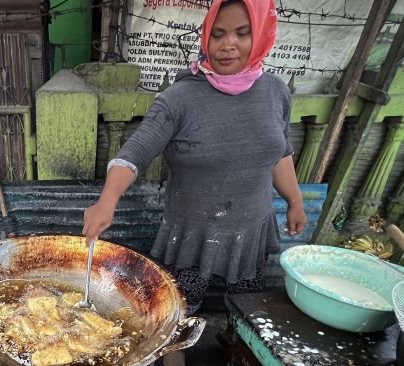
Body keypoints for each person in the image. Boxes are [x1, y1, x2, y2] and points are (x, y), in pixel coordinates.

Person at [82, 0, 307, 364]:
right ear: (205, 38)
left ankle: (234, 343)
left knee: (246, 306)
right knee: (179, 316)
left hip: (251, 229)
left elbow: (279, 152)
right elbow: (133, 153)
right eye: (217, 34)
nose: (226, 44)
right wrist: (108, 199)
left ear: (263, 35)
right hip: (190, 235)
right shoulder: (179, 99)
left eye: (241, 33)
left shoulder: (275, 92)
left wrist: (294, 200)